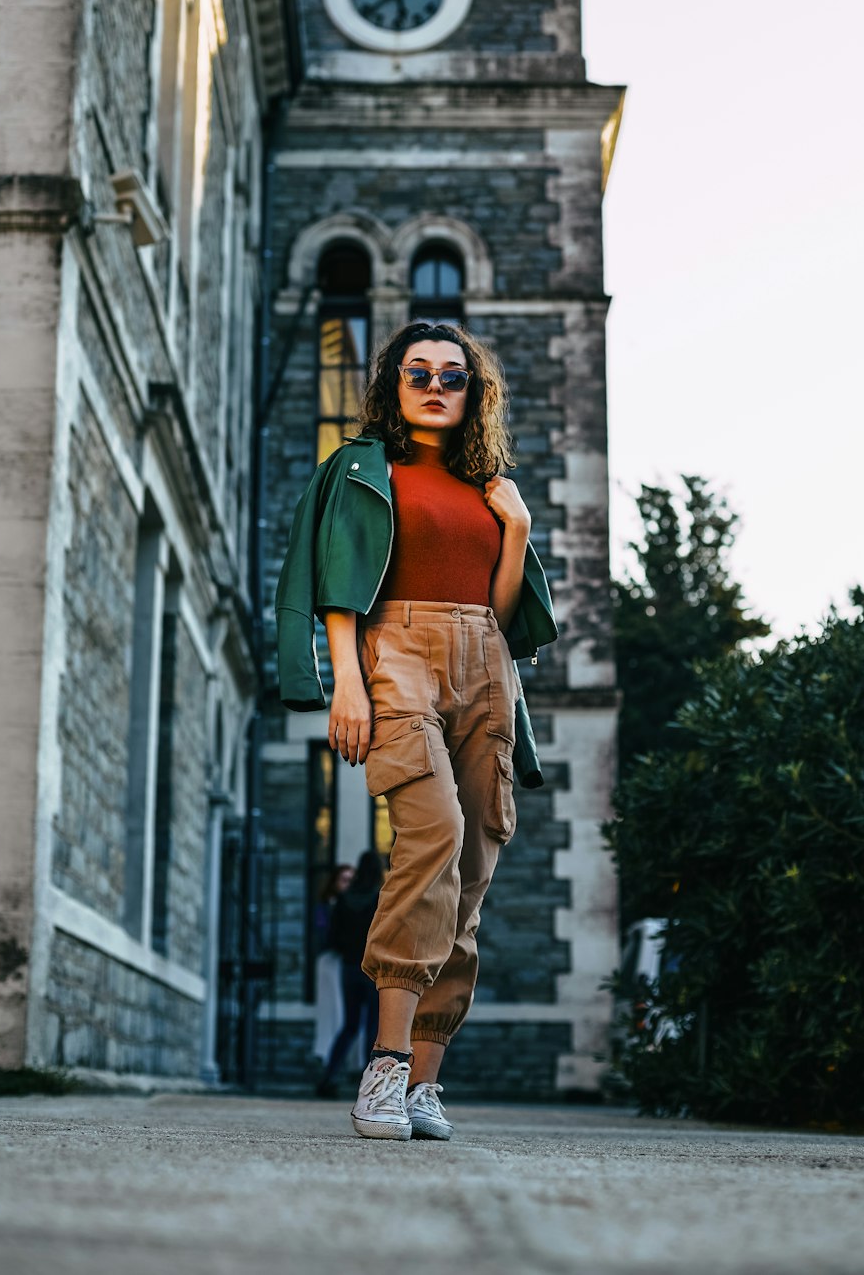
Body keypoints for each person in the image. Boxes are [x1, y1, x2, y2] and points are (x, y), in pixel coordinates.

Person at [275, 320, 558, 1141]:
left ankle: (426, 1084)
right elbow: (335, 586)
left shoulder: (489, 487)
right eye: (418, 373)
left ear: (475, 392)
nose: (436, 386)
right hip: (394, 647)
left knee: (471, 869)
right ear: (394, 386)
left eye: (453, 376)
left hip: (486, 662)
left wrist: (519, 532)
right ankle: (385, 1064)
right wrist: (348, 686)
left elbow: (505, 615)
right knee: (430, 832)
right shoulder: (361, 469)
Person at [316, 850, 383, 1097]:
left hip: (348, 968)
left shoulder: (344, 900)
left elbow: (332, 937)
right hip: (373, 969)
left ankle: (329, 1075)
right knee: (372, 1027)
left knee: (350, 1025)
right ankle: (370, 1085)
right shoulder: (380, 899)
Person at [312, 863, 355, 1065]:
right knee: (330, 1007)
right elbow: (322, 933)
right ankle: (325, 1052)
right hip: (330, 959)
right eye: (344, 880)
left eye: (350, 880)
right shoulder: (326, 905)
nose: (347, 884)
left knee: (344, 1009)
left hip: (347, 961)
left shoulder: (353, 904)